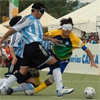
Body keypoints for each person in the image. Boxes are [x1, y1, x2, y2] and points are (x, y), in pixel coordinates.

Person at [6, 17, 99, 95]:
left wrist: (92, 60)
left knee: (53, 78)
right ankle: (38, 83)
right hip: (51, 54)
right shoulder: (55, 32)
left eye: (69, 27)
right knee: (33, 68)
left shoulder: (75, 39)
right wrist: (47, 39)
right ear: (62, 27)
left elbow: (87, 49)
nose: (67, 30)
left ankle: (35, 90)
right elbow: (41, 36)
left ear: (71, 28)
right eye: (65, 27)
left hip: (63, 60)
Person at [0, 2, 74, 97]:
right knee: (55, 63)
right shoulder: (28, 18)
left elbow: (40, 37)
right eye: (41, 11)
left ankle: (2, 89)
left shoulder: (37, 21)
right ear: (35, 10)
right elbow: (13, 29)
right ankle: (60, 89)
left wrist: (51, 39)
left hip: (28, 48)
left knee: (22, 72)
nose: (42, 13)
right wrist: (3, 38)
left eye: (43, 11)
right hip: (34, 46)